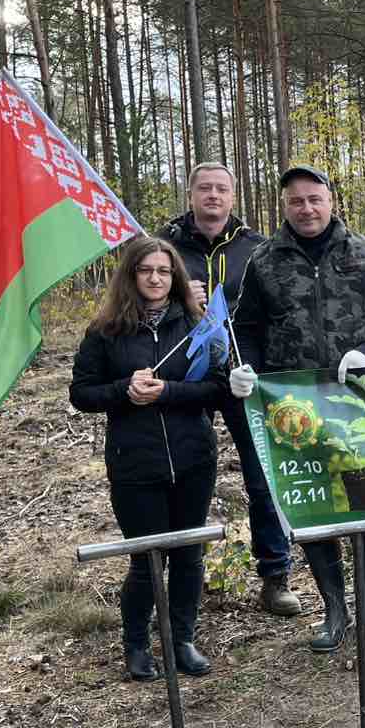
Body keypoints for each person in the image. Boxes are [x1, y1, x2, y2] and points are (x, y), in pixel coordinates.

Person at [228, 164, 365, 649]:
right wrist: (243, 367)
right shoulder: (263, 260)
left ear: (330, 201)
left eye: (315, 199)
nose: (306, 209)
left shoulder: (363, 252)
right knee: (312, 506)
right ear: (284, 206)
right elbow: (243, 328)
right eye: (296, 201)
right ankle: (335, 609)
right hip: (293, 407)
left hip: (357, 400)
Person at [70, 235, 228, 681]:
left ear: (174, 276)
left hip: (193, 458)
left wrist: (168, 392)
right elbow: (81, 393)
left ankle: (182, 640)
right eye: (146, 271)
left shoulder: (198, 324)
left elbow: (218, 387)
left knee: (189, 555)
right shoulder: (105, 331)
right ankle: (136, 644)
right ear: (131, 276)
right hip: (135, 463)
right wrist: (125, 389)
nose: (155, 279)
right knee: (147, 558)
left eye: (163, 271)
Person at [159, 162, 300, 618]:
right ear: (191, 194)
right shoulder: (165, 247)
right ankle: (182, 578)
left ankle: (275, 576)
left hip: (245, 374)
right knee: (185, 476)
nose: (213, 196)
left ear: (233, 196)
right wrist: (181, 299)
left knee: (262, 478)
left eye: (221, 189)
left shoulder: (257, 247)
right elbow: (141, 303)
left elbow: (275, 309)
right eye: (205, 188)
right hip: (188, 376)